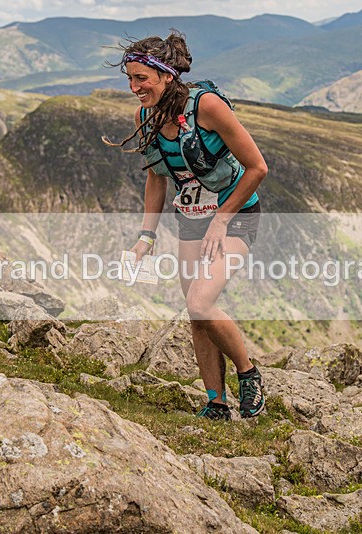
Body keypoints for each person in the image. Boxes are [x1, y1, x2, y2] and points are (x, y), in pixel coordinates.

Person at [103, 31, 268, 420]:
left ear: (166, 75)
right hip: (191, 219)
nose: (134, 87)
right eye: (129, 79)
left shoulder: (207, 107)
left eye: (141, 78)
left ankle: (250, 375)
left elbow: (258, 168)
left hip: (236, 216)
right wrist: (146, 236)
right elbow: (157, 178)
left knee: (200, 301)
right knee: (196, 315)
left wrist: (221, 220)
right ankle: (216, 402)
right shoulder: (147, 115)